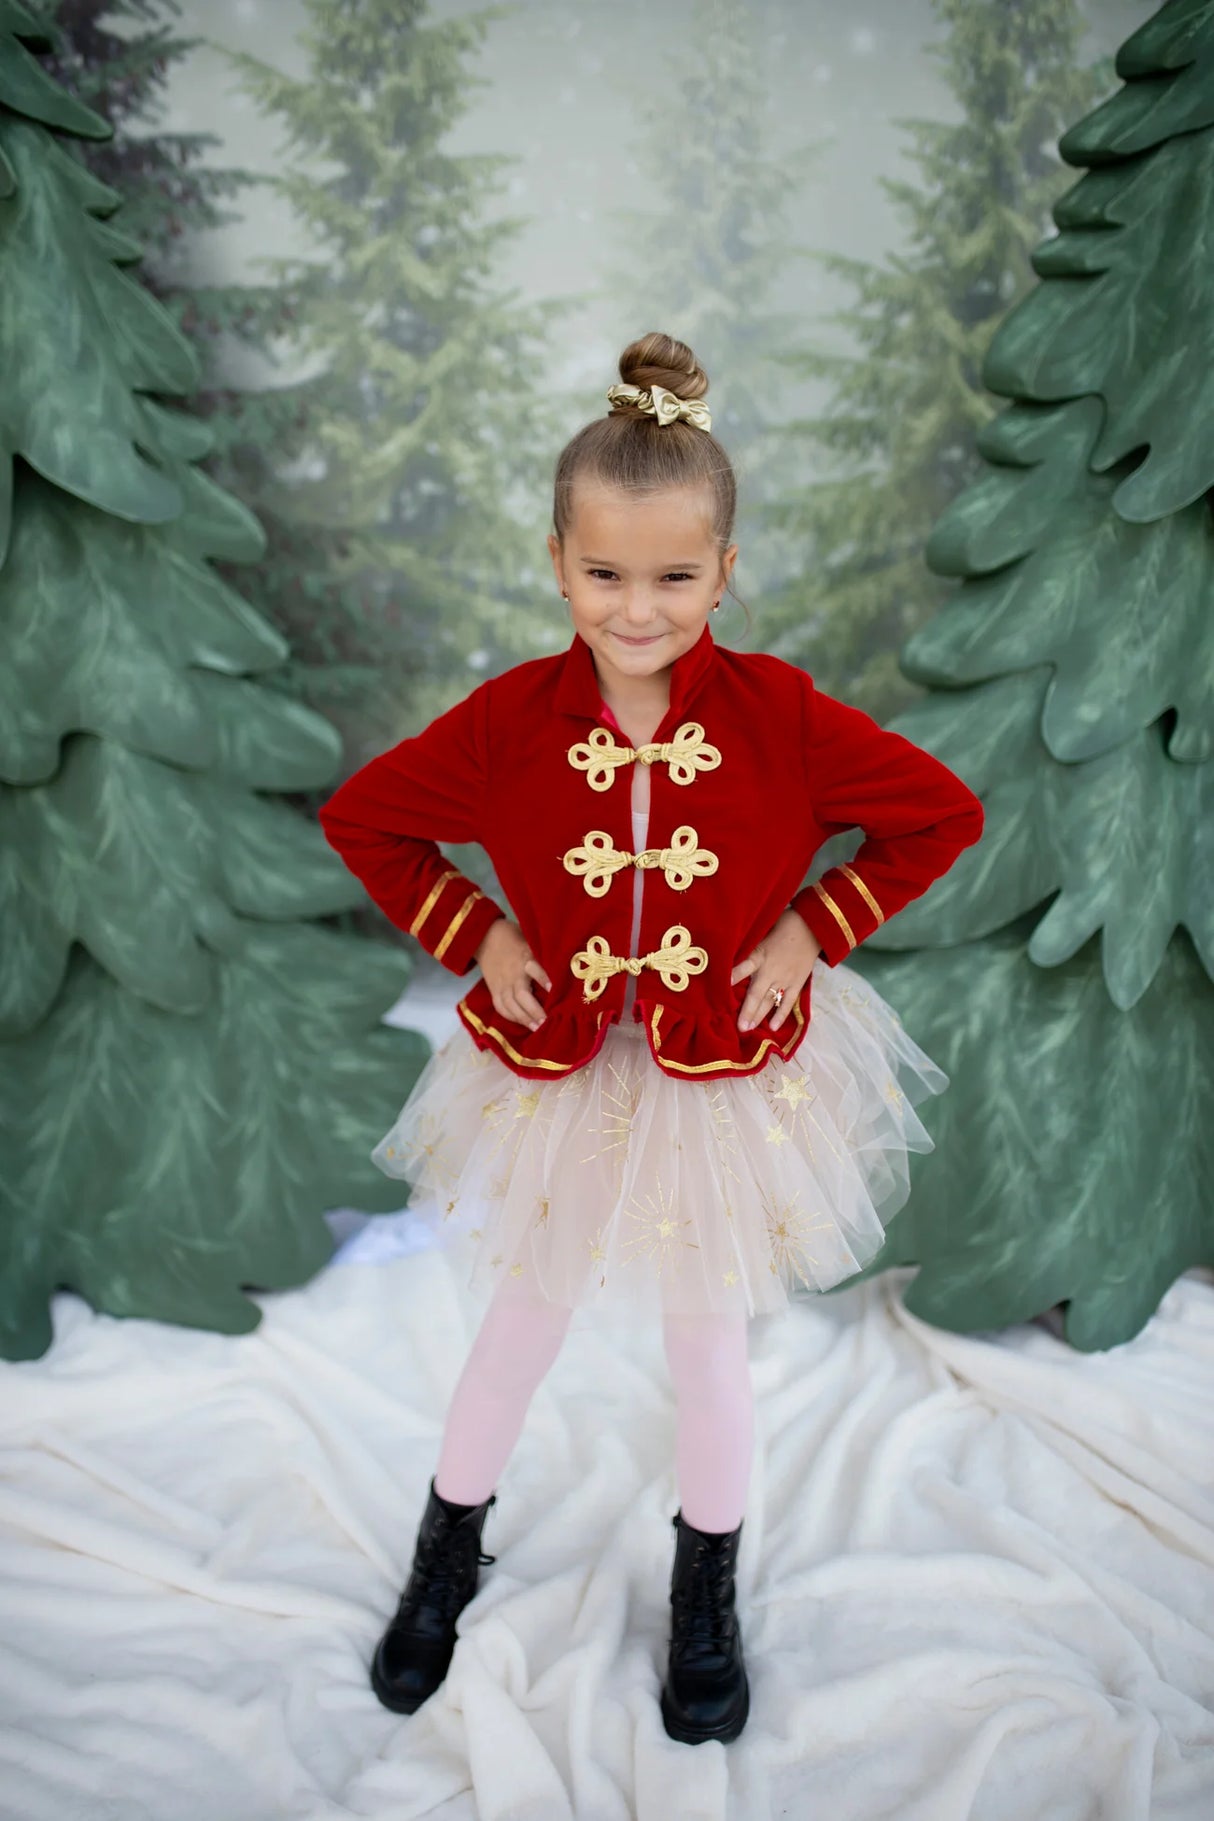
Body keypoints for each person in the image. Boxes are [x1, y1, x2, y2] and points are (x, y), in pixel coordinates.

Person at [317, 330, 985, 1747]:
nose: (638, 609)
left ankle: (704, 1592)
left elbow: (937, 812)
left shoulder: (782, 717)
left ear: (724, 572)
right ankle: (445, 1557)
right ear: (559, 562)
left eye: (674, 577)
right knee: (518, 1323)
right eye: (606, 574)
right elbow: (365, 818)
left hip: (716, 1084)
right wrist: (479, 935)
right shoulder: (508, 720)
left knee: (706, 1346)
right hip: (559, 1069)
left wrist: (811, 927)